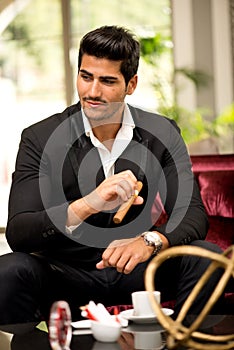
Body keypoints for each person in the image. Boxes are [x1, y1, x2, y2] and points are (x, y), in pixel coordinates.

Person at [0, 25, 224, 329]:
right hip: (66, 272)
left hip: (139, 266)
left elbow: (194, 215)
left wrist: (151, 240)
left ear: (131, 84)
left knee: (208, 257)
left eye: (107, 81)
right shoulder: (39, 138)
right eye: (86, 76)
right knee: (9, 269)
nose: (92, 92)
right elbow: (19, 232)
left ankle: (183, 341)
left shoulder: (161, 132)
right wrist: (88, 203)